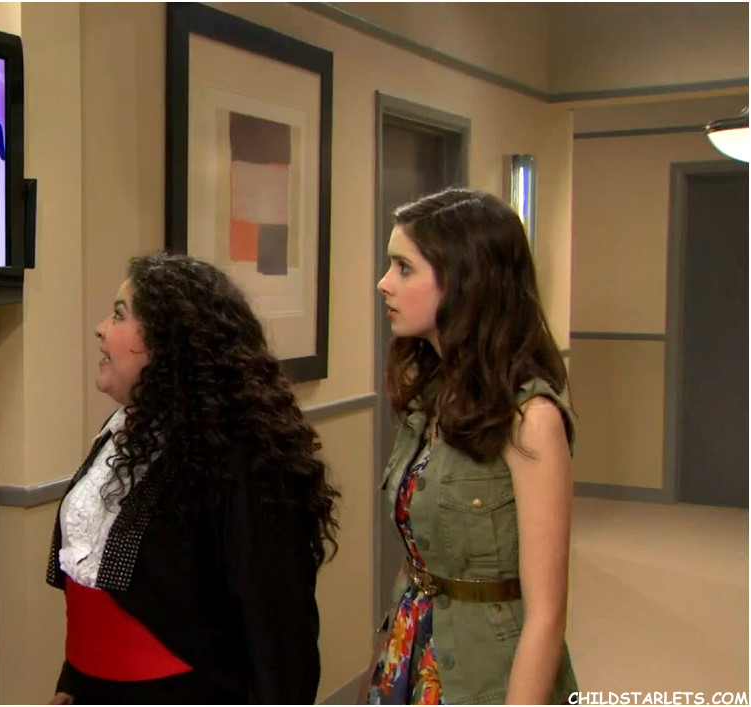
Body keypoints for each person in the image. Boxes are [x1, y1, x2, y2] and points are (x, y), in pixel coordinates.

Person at [45, 252, 341, 705]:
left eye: (119, 315)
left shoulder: (240, 461)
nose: (101, 329)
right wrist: (71, 681)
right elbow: (100, 592)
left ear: (169, 342)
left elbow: (279, 639)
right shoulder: (121, 432)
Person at [364, 188, 578, 704]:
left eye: (404, 268)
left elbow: (546, 615)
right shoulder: (431, 398)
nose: (384, 283)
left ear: (465, 281)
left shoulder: (531, 420)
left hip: (484, 668)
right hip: (411, 648)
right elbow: (420, 551)